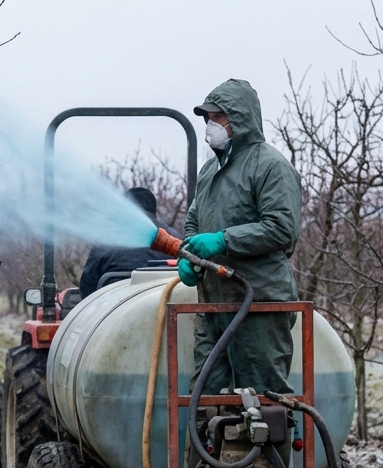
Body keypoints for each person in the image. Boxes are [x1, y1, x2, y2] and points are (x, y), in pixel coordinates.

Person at [179, 79, 301, 394]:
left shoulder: (270, 165)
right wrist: (190, 255)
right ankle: (208, 445)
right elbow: (194, 218)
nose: (210, 125)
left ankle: (272, 446)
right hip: (214, 305)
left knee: (263, 404)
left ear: (240, 118)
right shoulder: (210, 170)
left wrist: (223, 240)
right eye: (207, 118)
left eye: (217, 117)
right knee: (204, 401)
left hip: (258, 303)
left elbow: (281, 228)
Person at [78, 187, 178, 298]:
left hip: (113, 311)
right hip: (164, 311)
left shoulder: (105, 239)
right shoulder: (175, 238)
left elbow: (87, 286)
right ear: (154, 209)